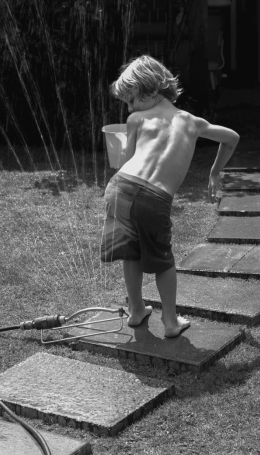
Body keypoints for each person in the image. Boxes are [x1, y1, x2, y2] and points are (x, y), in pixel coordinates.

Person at [101, 55, 239, 337]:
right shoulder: (193, 123)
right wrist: (214, 173)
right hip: (154, 198)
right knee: (163, 261)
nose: (129, 107)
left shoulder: (136, 120)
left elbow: (128, 160)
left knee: (131, 252)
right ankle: (170, 322)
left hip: (121, 187)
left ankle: (137, 311)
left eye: (132, 99)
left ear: (151, 91)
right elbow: (232, 138)